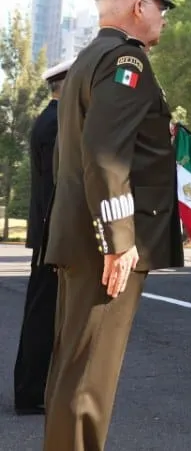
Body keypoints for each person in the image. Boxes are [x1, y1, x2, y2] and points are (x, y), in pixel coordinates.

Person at [42, 0, 184, 450]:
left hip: (83, 232)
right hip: (105, 240)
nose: (164, 18)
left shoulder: (89, 57)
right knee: (89, 378)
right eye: (160, 8)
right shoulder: (128, 61)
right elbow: (105, 155)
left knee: (76, 367)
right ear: (139, 6)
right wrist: (119, 239)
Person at [11, 56, 73, 415]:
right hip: (52, 233)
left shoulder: (52, 120)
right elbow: (57, 186)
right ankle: (30, 393)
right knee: (42, 315)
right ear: (66, 85)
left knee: (45, 313)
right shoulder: (56, 125)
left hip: (49, 232)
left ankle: (34, 389)